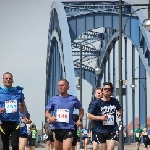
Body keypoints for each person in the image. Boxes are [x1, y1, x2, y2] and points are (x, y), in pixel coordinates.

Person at [45, 79, 84, 150]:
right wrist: (50, 117)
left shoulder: (73, 99)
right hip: (56, 127)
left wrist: (79, 119)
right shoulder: (54, 99)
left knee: (67, 148)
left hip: (69, 128)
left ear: (68, 87)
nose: (60, 87)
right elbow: (47, 112)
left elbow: (81, 110)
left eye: (62, 85)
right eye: (59, 85)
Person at [88, 82, 122, 150]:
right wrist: (100, 117)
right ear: (102, 91)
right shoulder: (97, 103)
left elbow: (119, 109)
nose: (107, 90)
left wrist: (119, 113)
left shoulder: (115, 101)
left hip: (112, 129)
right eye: (105, 89)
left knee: (111, 148)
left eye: (109, 89)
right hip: (100, 130)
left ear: (111, 92)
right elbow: (89, 115)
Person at [0, 72, 27, 150]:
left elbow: (23, 105)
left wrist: (24, 116)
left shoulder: (18, 92)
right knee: (5, 146)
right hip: (3, 123)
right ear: (3, 80)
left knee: (15, 145)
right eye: (6, 78)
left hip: (15, 123)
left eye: (10, 78)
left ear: (12, 80)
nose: (8, 80)